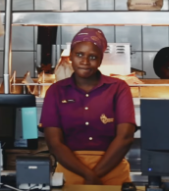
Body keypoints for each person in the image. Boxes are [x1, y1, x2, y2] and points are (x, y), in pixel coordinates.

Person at [41, 28, 136, 186]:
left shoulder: (118, 88)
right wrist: (89, 175)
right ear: (70, 56)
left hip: (113, 173)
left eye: (92, 57)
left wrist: (93, 176)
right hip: (70, 173)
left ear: (100, 60)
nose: (85, 62)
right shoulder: (56, 91)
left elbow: (125, 137)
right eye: (79, 55)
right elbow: (54, 143)